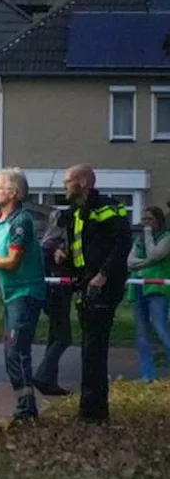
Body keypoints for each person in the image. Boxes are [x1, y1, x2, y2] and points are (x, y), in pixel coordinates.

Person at [0, 167, 47, 423]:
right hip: (12, 295)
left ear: (12, 193)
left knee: (17, 351)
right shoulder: (2, 219)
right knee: (11, 352)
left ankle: (27, 412)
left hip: (24, 294)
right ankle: (23, 408)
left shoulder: (20, 222)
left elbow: (11, 260)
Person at [59, 164, 132, 423]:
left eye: (68, 181)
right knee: (90, 349)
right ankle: (91, 409)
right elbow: (80, 247)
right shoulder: (76, 212)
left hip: (103, 286)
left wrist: (103, 274)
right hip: (85, 284)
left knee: (93, 348)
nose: (63, 186)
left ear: (83, 183)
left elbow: (122, 243)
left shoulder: (107, 208)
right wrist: (64, 256)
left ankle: (92, 412)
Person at [127, 206, 170, 381]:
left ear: (158, 220)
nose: (146, 223)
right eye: (144, 219)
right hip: (137, 286)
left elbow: (155, 254)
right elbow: (130, 262)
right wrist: (147, 262)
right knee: (142, 333)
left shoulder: (166, 238)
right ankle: (147, 376)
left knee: (160, 328)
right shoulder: (138, 240)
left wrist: (148, 236)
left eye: (150, 219)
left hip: (156, 288)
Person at [35, 208, 73, 396]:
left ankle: (50, 381)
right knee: (64, 337)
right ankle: (43, 375)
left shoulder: (47, 242)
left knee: (54, 337)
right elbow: (62, 260)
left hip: (52, 294)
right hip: (57, 294)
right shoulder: (56, 245)